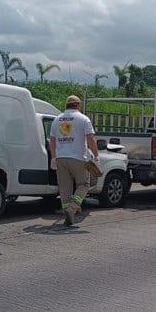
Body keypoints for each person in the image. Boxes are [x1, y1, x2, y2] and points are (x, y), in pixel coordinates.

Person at [49, 95, 99, 226]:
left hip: (61, 158)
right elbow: (90, 138)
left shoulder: (57, 119)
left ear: (66, 105)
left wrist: (54, 157)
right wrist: (96, 155)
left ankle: (67, 210)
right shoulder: (83, 119)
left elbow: (52, 141)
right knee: (84, 184)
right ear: (78, 105)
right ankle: (72, 209)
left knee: (65, 188)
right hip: (78, 158)